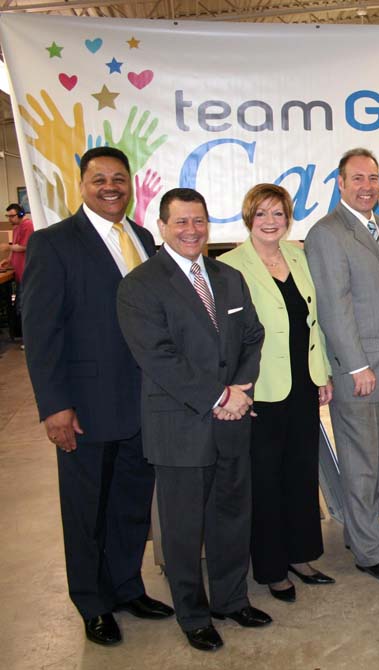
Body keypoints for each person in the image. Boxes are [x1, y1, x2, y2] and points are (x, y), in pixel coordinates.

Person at [21, 146, 173, 647]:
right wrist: (55, 406)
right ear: (81, 185)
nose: (111, 187)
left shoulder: (143, 238)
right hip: (85, 407)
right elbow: (43, 333)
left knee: (131, 502)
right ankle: (92, 601)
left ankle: (127, 586)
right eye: (99, 179)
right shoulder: (54, 243)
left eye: (119, 179)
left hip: (143, 403)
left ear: (130, 184)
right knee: (87, 508)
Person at [116, 188, 268, 652]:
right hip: (180, 425)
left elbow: (252, 335)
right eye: (180, 222)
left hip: (233, 419)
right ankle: (193, 613)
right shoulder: (140, 285)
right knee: (183, 529)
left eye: (199, 221)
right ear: (161, 226)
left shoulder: (228, 276)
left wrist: (239, 392)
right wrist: (220, 395)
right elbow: (159, 358)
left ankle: (230, 598)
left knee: (231, 516)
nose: (191, 230)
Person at [219, 184, 334, 603]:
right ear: (249, 217)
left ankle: (301, 554)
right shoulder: (230, 265)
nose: (272, 222)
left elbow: (312, 322)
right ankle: (271, 567)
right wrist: (235, 388)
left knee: (301, 473)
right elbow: (227, 336)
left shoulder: (299, 256)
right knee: (265, 480)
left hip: (302, 384)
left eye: (279, 214)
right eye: (263, 213)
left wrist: (321, 375)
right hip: (260, 390)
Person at [305, 148, 379, 582]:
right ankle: (369, 552)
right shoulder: (327, 233)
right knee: (361, 461)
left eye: (374, 178)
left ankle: (367, 526)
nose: (367, 186)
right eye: (358, 179)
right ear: (340, 183)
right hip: (362, 372)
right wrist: (354, 366)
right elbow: (334, 305)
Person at [1, 203, 33, 339]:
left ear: (20, 214)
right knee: (17, 305)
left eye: (12, 216)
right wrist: (9, 260)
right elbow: (15, 246)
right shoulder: (16, 228)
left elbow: (25, 246)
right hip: (18, 272)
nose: (9, 219)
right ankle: (19, 334)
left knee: (23, 306)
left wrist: (8, 248)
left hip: (26, 273)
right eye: (7, 216)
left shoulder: (28, 226)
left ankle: (28, 338)